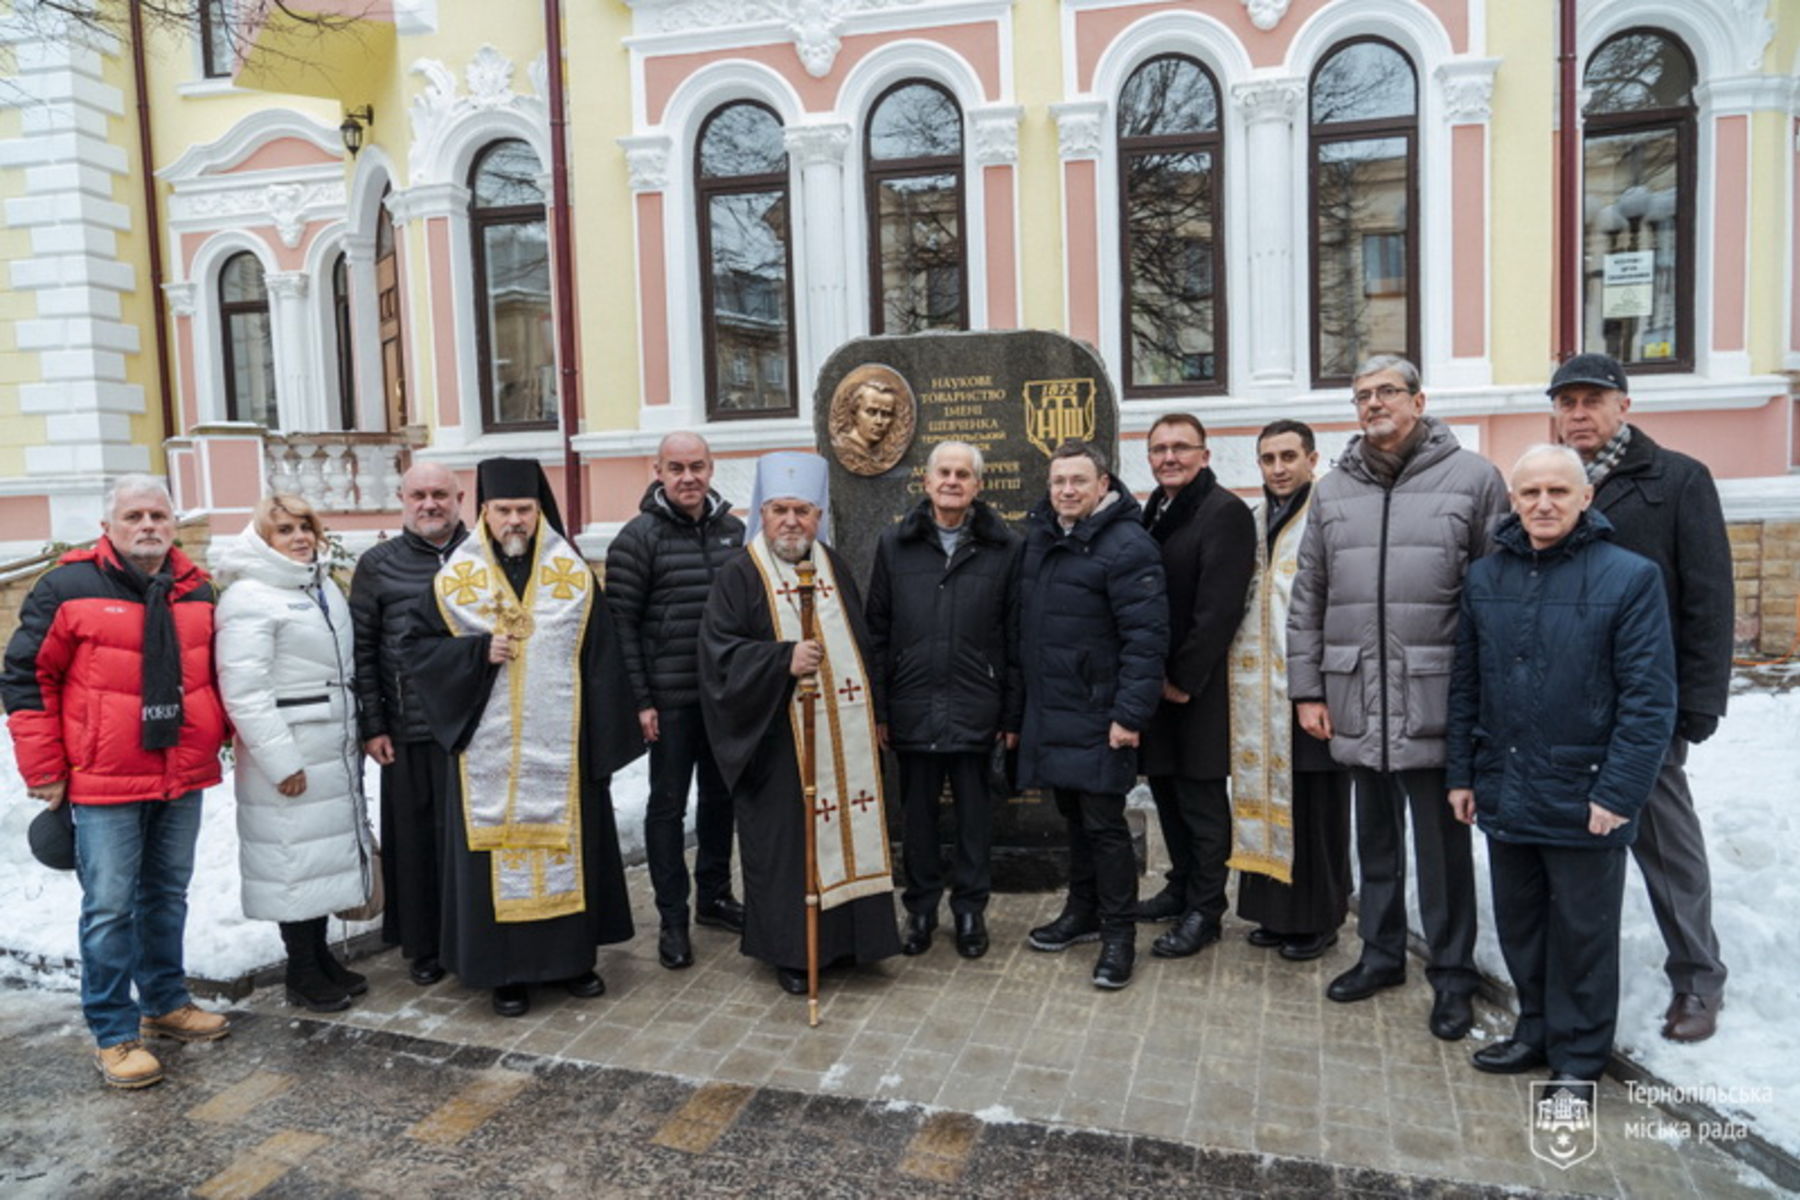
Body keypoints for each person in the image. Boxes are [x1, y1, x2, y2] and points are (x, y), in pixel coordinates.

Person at [1287, 355, 1508, 1041]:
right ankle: (1380, 955)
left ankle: (1452, 978)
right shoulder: (1332, 491)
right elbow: (1309, 596)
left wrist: (1485, 702)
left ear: (1419, 400)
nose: (1373, 404)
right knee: (1374, 843)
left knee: (1442, 855)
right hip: (1355, 695)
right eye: (1362, 396)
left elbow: (1495, 597)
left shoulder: (1474, 479)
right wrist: (1308, 689)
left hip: (1435, 698)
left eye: (1386, 392)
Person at [1448, 445, 1676, 1081]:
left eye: (1557, 491)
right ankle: (1536, 1033)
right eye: (1530, 493)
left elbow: (1649, 699)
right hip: (1505, 789)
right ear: (1513, 502)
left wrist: (1619, 793)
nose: (1543, 504)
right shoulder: (1486, 579)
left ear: (1586, 499)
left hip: (1586, 797)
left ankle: (1578, 1062)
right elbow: (1466, 685)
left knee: (1582, 938)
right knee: (1521, 928)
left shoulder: (1629, 578)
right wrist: (1462, 774)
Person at [2, 475, 231, 1088]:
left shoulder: (197, 589)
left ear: (174, 524)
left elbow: (214, 674)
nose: (148, 525)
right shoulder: (67, 587)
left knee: (167, 893)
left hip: (179, 771)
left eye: (158, 514)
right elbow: (26, 678)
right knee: (108, 907)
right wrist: (44, 767)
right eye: (134, 515)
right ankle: (113, 1031)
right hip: (102, 778)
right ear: (109, 525)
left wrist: (225, 735)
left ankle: (164, 1001)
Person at [406, 458, 643, 1018]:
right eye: (504, 510)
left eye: (525, 511)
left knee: (568, 846)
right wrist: (473, 653)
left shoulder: (573, 576)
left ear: (540, 512)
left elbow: (603, 657)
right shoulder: (454, 581)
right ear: (484, 512)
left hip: (561, 750)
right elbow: (415, 650)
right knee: (494, 859)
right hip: (485, 753)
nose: (515, 521)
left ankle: (571, 961)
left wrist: (600, 742)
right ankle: (503, 971)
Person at [1550, 352, 1733, 1043]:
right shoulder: (1552, 484)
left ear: (1623, 406)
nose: (1579, 414)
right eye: (1567, 402)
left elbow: (1710, 598)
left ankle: (1697, 978)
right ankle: (1576, 980)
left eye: (1593, 400)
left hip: (1644, 707)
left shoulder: (1678, 479)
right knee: (1574, 849)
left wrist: (1701, 700)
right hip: (1565, 706)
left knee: (1665, 844)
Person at [698, 451, 900, 995]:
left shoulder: (833, 566)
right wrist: (780, 660)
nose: (792, 522)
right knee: (788, 846)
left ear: (819, 516)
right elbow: (717, 659)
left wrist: (876, 712)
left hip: (844, 736)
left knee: (849, 825)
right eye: (780, 509)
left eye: (803, 511)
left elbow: (862, 645)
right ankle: (793, 949)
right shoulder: (740, 576)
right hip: (776, 741)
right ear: (762, 514)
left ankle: (854, 941)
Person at [214, 494, 374, 1012]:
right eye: (284, 530)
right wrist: (281, 761)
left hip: (329, 748)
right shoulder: (249, 598)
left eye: (305, 526)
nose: (300, 537)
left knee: (318, 859)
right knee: (292, 860)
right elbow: (244, 690)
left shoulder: (318, 585)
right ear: (264, 539)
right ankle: (301, 970)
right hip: (289, 754)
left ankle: (319, 958)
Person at [1018, 440, 1168, 990]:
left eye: (1078, 481)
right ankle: (1081, 914)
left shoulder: (1128, 545)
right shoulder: (1042, 535)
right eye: (1058, 481)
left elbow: (1147, 640)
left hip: (1099, 713)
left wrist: (1129, 714)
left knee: (1105, 827)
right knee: (1074, 820)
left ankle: (1120, 937)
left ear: (1103, 484)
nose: (1066, 491)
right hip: (1053, 709)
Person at [865, 440, 1023, 960]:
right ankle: (922, 908)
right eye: (944, 473)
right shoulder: (895, 545)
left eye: (963, 474)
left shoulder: (1006, 548)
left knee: (977, 817)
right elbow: (878, 631)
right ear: (926, 482)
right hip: (913, 706)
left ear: (978, 486)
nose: (952, 481)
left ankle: (971, 909)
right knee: (918, 819)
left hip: (978, 705)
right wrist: (881, 710)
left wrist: (1010, 712)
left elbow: (1016, 636)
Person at [605, 432, 746, 971]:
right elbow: (622, 627)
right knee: (666, 807)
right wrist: (641, 700)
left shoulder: (735, 532)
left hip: (726, 699)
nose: (688, 477)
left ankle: (714, 897)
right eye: (676, 468)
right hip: (669, 701)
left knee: (721, 800)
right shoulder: (636, 539)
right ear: (658, 471)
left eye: (697, 467)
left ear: (712, 469)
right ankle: (672, 918)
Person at [1226, 420, 1353, 962]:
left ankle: (1320, 918)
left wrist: (1321, 688)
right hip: (1259, 693)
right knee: (1267, 802)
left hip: (1313, 691)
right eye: (1267, 459)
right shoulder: (1255, 521)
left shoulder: (1329, 518)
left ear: (1311, 459)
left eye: (1287, 457)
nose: (1277, 468)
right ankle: (1276, 913)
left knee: (1316, 807)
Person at [1134, 415, 1255, 959]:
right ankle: (1180, 887)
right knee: (1166, 791)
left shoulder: (1224, 512)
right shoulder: (1156, 508)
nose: (1169, 457)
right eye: (1159, 449)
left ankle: (1206, 910)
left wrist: (1182, 677)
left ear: (1204, 455)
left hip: (1195, 688)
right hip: (1156, 686)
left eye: (1180, 447)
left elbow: (1218, 608)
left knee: (1202, 801)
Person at [348, 461, 470, 987]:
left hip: (474, 725)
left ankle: (470, 936)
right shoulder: (379, 564)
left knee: (468, 843)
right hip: (409, 727)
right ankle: (424, 946)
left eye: (440, 494)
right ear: (402, 498)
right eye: (418, 495)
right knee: (417, 843)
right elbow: (363, 651)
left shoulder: (480, 557)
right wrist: (374, 724)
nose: (430, 504)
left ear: (459, 498)